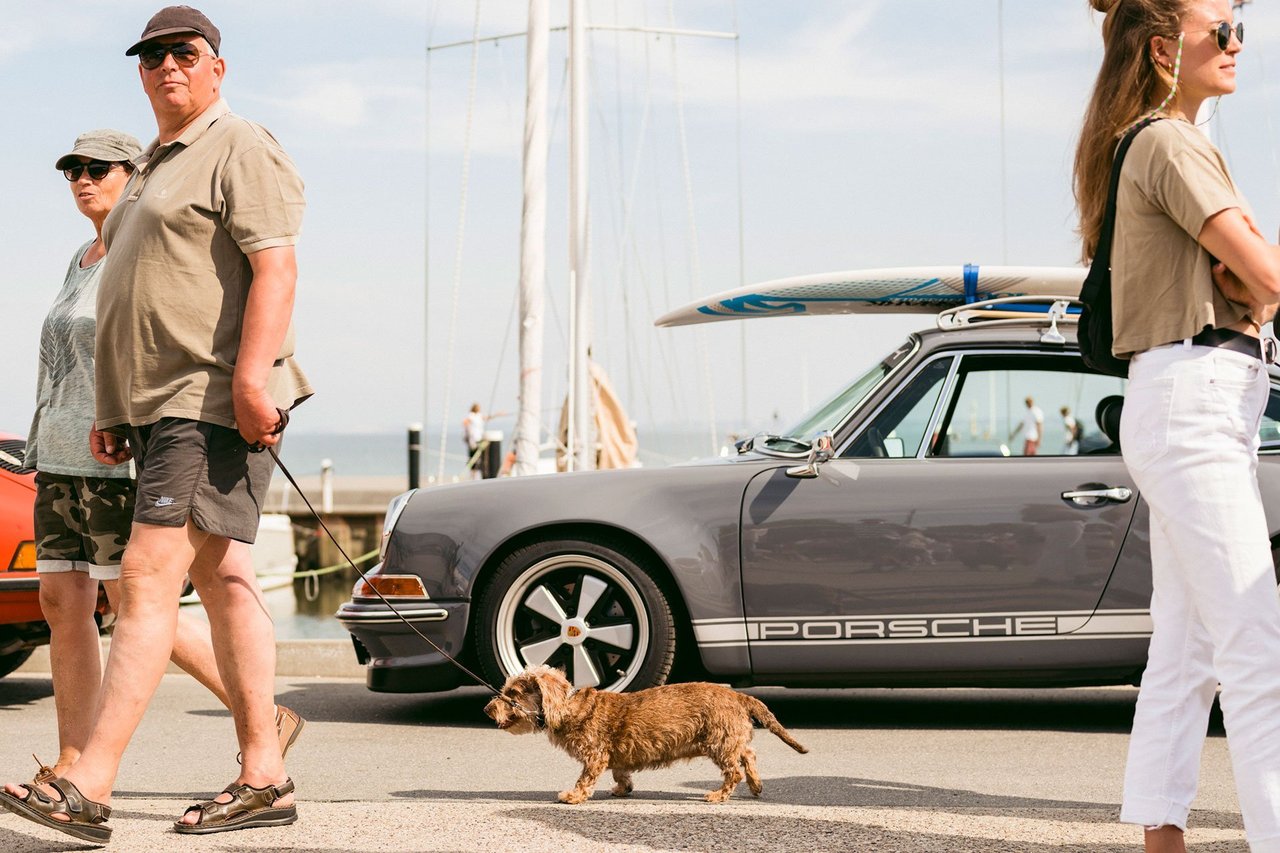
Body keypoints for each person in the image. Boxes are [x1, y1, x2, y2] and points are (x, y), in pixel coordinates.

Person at [1, 6, 310, 842]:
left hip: (208, 396)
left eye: (184, 52)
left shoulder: (238, 144)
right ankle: (264, 773)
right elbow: (126, 306)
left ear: (216, 66)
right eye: (151, 57)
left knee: (143, 579)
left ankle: (87, 782)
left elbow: (275, 264)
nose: (167, 65)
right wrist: (111, 408)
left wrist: (251, 379)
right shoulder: (153, 170)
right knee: (224, 581)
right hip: (156, 406)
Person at [1075, 2, 1280, 850]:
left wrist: (1254, 285)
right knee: (1255, 645)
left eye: (1241, 26)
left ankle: (1162, 840)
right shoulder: (1169, 142)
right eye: (1218, 28)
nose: (1237, 42)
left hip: (1188, 397)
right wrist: (1256, 284)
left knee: (1188, 649)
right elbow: (1263, 273)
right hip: (1193, 397)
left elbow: (1257, 281)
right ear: (1164, 49)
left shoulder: (1158, 142)